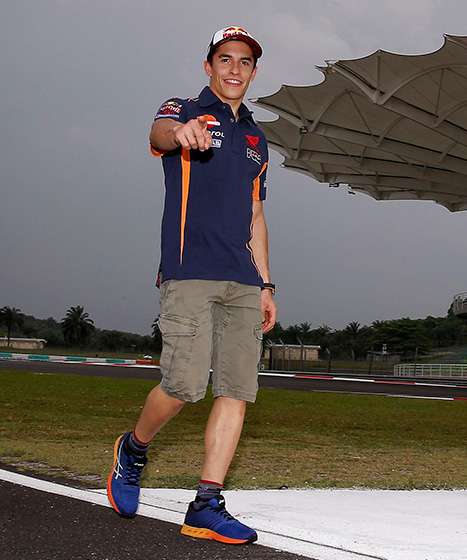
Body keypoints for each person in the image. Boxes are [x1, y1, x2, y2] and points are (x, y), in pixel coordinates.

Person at [107, 26, 276, 546]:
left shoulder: (258, 139)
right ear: (209, 66)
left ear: (253, 72)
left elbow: (256, 215)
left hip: (244, 279)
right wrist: (180, 133)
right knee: (183, 386)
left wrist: (267, 285)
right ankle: (134, 449)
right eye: (225, 59)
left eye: (244, 62)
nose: (234, 69)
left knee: (236, 391)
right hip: (189, 271)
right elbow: (160, 133)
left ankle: (206, 504)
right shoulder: (183, 109)